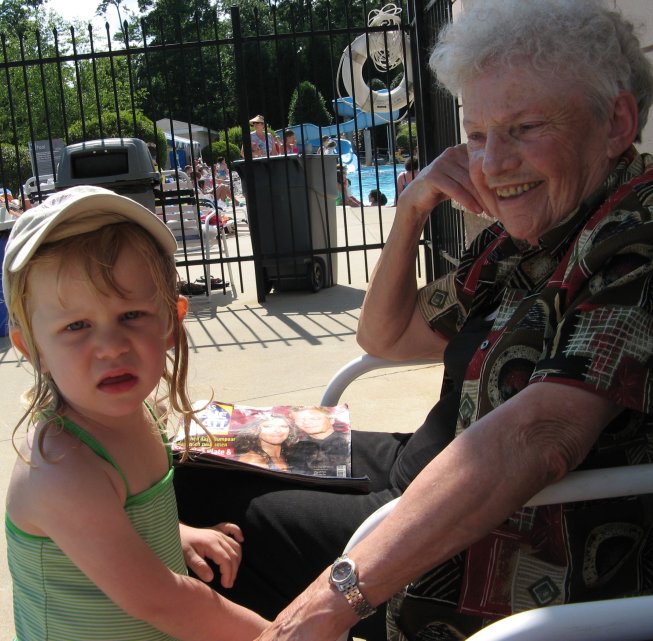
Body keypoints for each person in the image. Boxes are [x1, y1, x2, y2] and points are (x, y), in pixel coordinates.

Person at [249, 1, 653, 639]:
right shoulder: (526, 235)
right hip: (417, 473)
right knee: (199, 469)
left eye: (523, 128)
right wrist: (412, 205)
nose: (492, 164)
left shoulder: (636, 237)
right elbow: (385, 336)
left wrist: (337, 596)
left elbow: (539, 436)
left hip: (473, 554)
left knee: (224, 525)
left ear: (616, 122)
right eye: (477, 134)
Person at [2, 185, 268, 641]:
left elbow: (117, 524)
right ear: (33, 349)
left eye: (131, 315)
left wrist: (175, 534)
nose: (111, 346)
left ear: (171, 319)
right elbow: (164, 600)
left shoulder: (140, 415)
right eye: (76, 325)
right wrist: (286, 634)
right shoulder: (61, 467)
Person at [286, 407, 350, 477]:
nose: (306, 422)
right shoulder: (295, 449)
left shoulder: (350, 441)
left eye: (313, 418)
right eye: (299, 420)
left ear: (331, 420)